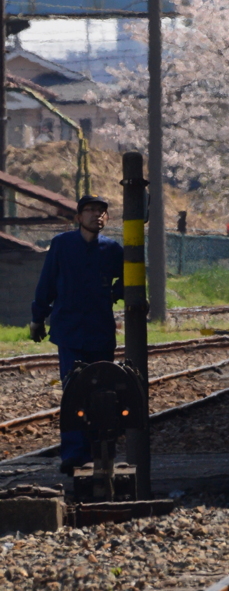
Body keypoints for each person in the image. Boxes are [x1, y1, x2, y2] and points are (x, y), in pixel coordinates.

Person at [29, 196, 124, 474]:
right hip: (69, 330)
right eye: (91, 211)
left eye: (101, 212)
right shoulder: (62, 245)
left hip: (100, 331)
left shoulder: (112, 249)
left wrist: (114, 294)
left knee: (102, 392)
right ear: (79, 216)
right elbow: (47, 281)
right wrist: (38, 317)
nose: (97, 216)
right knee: (73, 391)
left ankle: (101, 449)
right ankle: (73, 453)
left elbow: (130, 276)